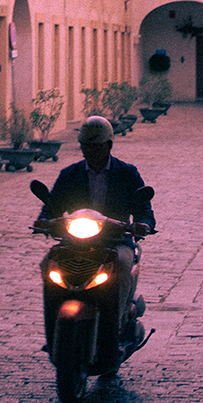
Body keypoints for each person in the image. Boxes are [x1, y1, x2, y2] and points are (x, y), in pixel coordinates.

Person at [37, 115, 155, 338]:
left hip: (115, 240)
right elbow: (53, 205)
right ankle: (53, 331)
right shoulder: (70, 174)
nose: (91, 151)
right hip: (74, 240)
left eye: (96, 146)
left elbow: (144, 210)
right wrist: (45, 220)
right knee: (48, 264)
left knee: (121, 264)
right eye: (86, 146)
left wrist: (143, 225)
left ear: (108, 145)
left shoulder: (127, 173)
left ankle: (116, 325)